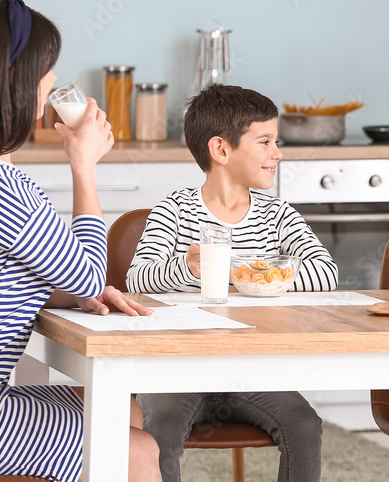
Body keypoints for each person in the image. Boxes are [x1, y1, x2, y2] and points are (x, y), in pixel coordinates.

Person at [0, 0, 161, 481]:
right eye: (45, 77)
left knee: (119, 410)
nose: (50, 91)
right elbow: (89, 273)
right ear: (14, 85)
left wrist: (73, 287)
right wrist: (84, 166)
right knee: (136, 449)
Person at [126, 83, 338, 482]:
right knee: (161, 433)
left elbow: (326, 271)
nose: (277, 152)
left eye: (276, 141)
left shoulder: (277, 214)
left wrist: (241, 273)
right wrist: (187, 269)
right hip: (177, 369)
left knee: (304, 425)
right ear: (220, 150)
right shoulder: (174, 210)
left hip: (249, 370)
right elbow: (137, 277)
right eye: (265, 141)